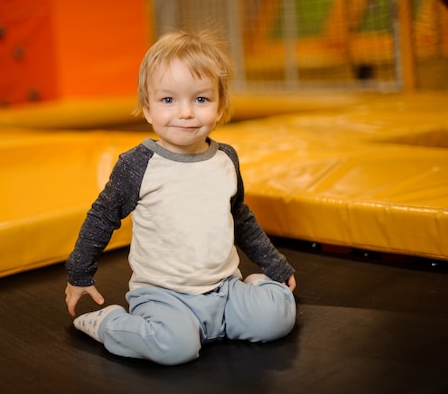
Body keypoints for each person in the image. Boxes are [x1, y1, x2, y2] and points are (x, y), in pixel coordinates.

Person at [64, 30, 296, 366]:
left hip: (225, 288)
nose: (185, 113)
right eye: (168, 100)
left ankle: (251, 292)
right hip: (163, 296)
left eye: (200, 100)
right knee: (175, 348)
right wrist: (79, 273)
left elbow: (240, 217)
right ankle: (110, 324)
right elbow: (102, 217)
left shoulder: (225, 159)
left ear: (220, 108)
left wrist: (273, 266)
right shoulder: (138, 165)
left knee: (278, 318)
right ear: (147, 108)